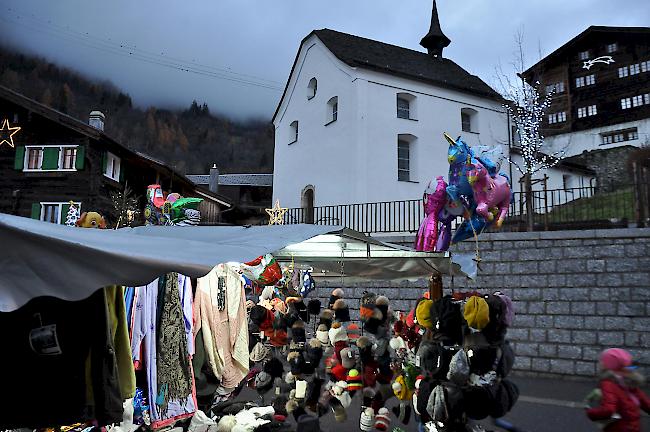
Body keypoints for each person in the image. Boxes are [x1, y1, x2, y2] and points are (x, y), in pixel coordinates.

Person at [585, 348, 650, 432]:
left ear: (607, 364)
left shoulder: (608, 383)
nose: (600, 362)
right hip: (634, 427)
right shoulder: (630, 380)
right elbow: (646, 404)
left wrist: (590, 412)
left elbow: (609, 410)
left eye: (602, 360)